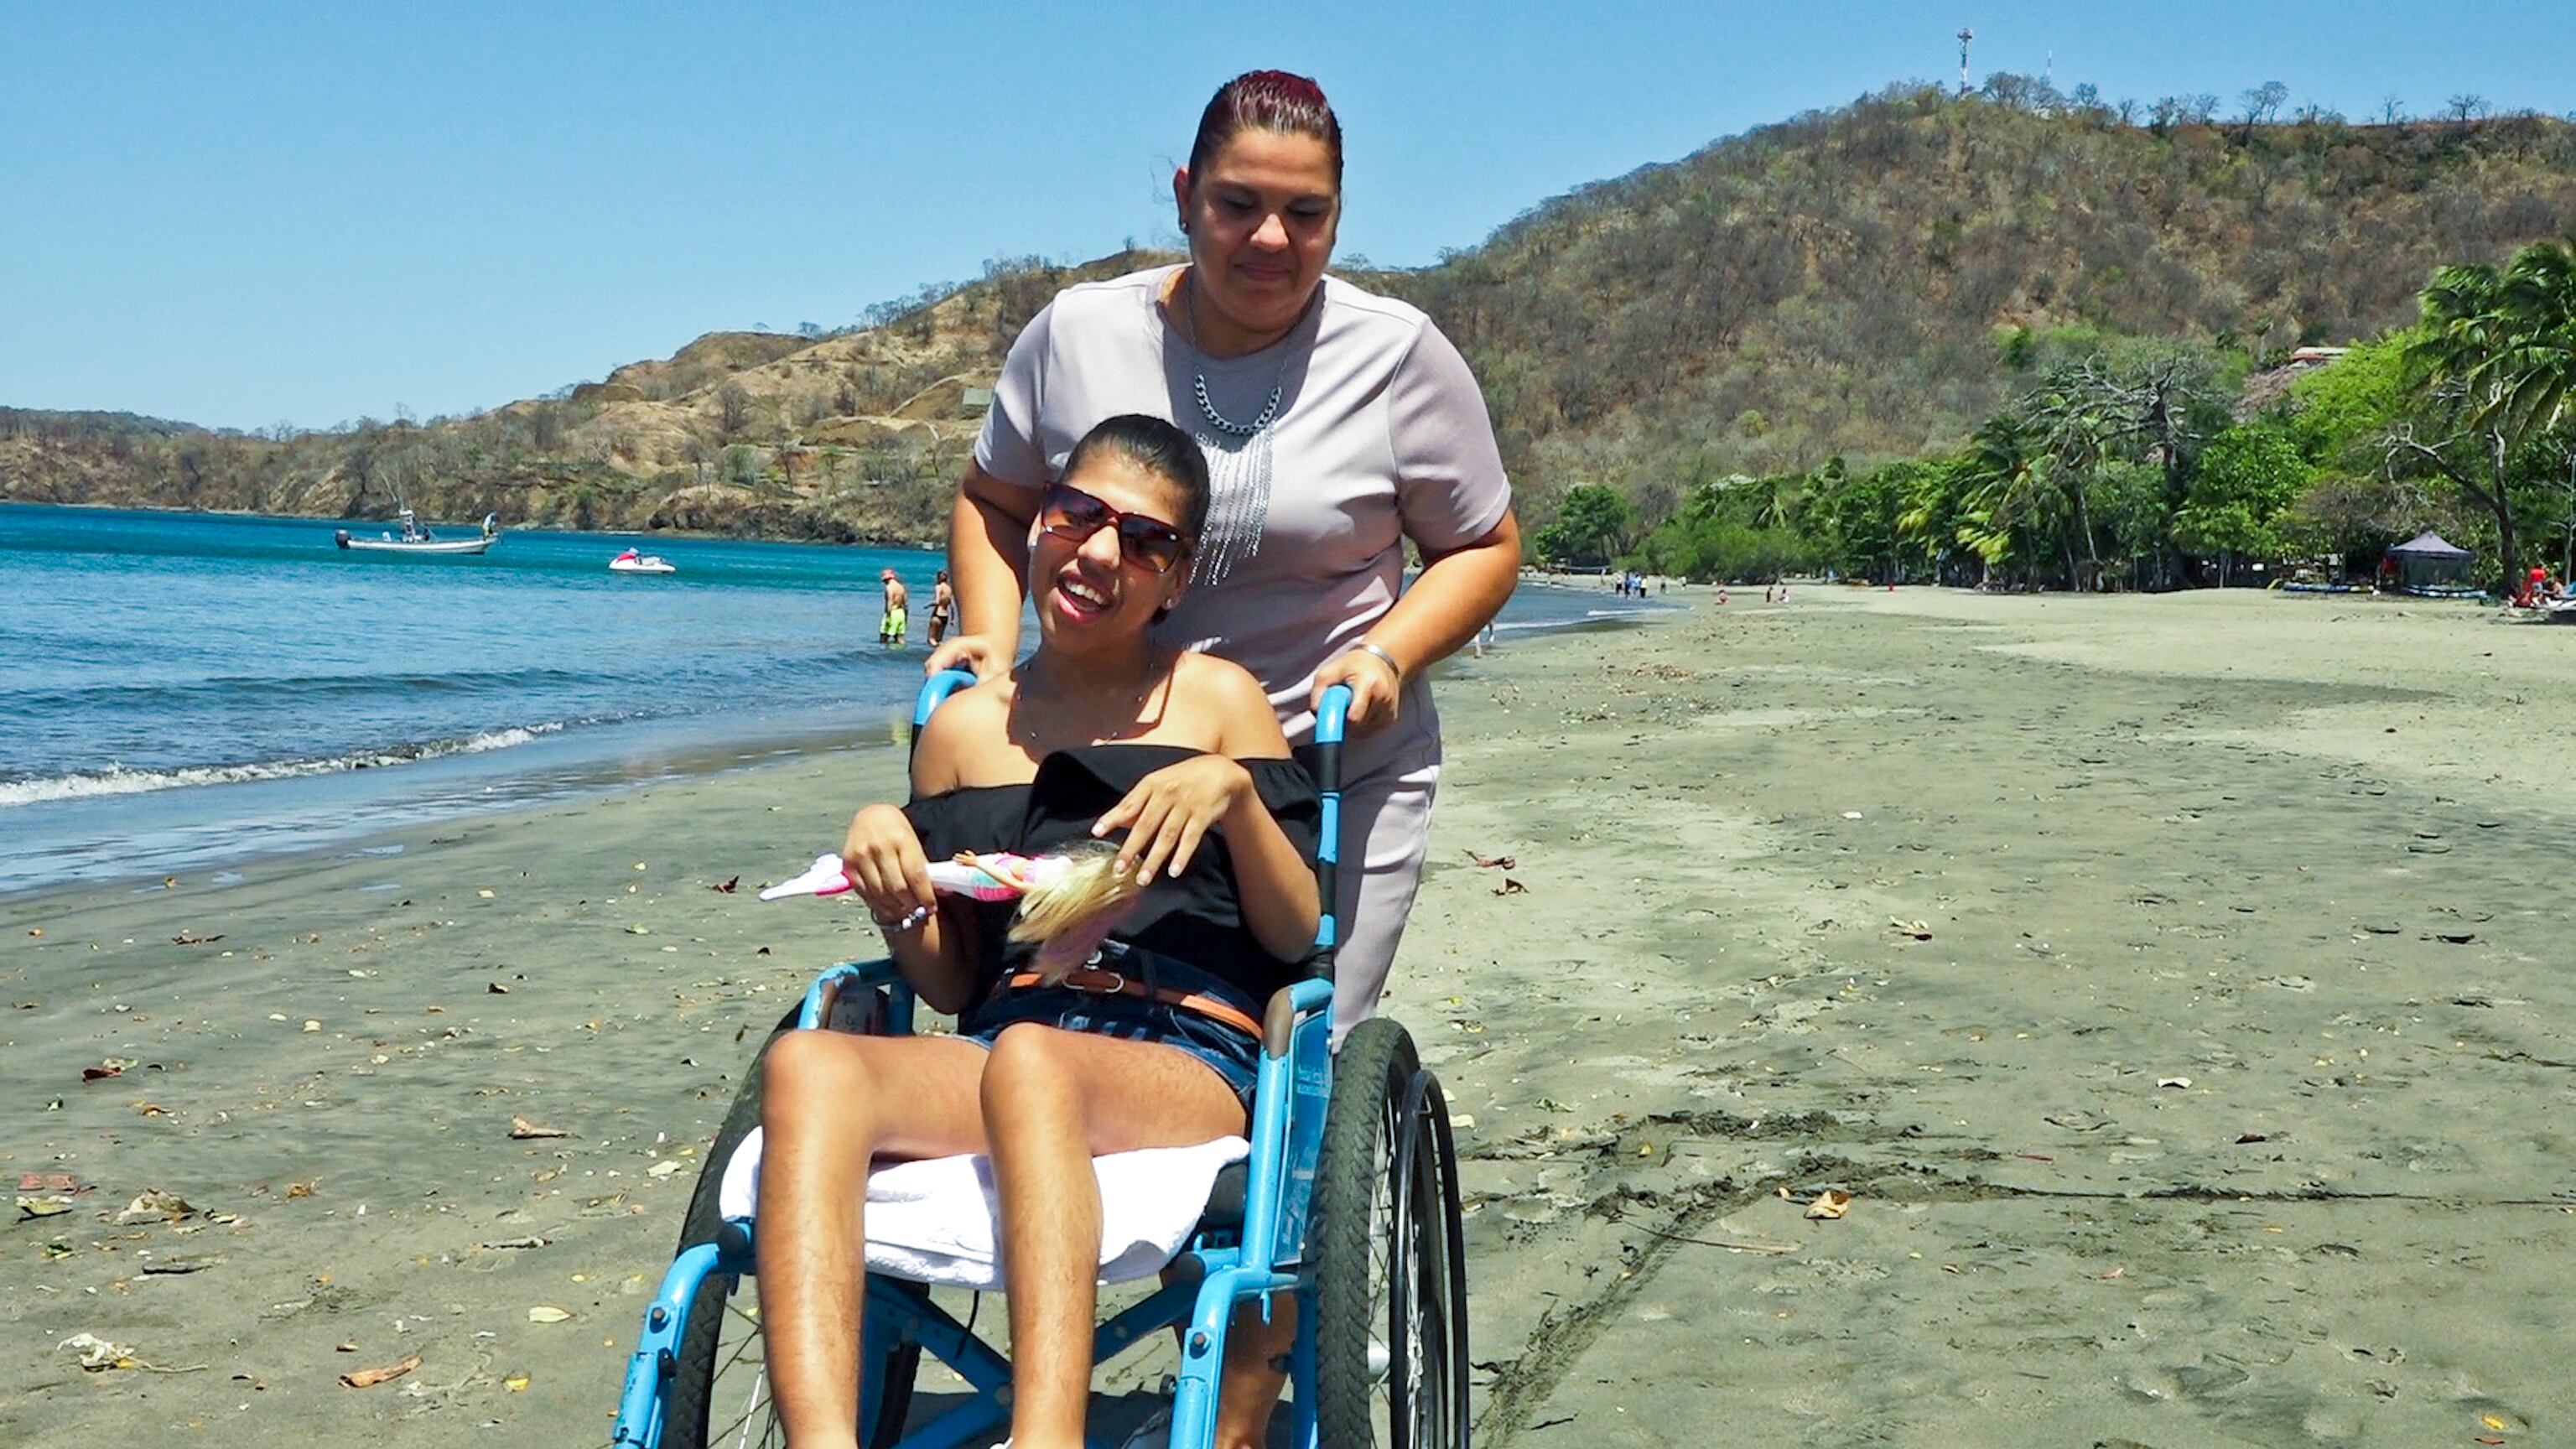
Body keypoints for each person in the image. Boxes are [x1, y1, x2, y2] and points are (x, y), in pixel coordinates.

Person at [760, 416, 1322, 1449]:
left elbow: (1295, 935)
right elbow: (945, 983)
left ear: (1176, 578)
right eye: (1080, 515)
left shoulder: (1220, 701)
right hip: (1003, 1037)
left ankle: (1046, 1436)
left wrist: (1235, 797)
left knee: (1030, 1063)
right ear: (1040, 527)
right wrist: (896, 883)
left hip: (1183, 1045)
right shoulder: (964, 731)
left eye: (1145, 541)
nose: (1101, 553)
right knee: (808, 1066)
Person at [929, 69, 1519, 1038]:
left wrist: (1388, 654)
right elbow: (993, 498)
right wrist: (992, 639)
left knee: (1300, 1041)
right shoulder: (1077, 335)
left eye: (1306, 212)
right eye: (1238, 204)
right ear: (1184, 196)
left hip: (1327, 768)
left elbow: (1485, 546)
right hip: (1096, 765)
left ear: (1338, 216)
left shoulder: (1398, 356)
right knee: (1058, 1022)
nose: (1271, 239)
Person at [879, 567, 909, 646]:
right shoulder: (901, 587)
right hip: (901, 613)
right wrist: (905, 617)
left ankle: (884, 653)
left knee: (884, 636)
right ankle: (901, 654)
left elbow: (890, 602)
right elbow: (906, 604)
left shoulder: (889, 587)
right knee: (899, 638)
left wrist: (888, 615)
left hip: (893, 612)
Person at [927, 569, 955, 647]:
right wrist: (952, 619)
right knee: (939, 640)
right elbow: (952, 606)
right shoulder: (949, 589)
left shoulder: (938, 587)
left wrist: (928, 605)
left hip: (937, 615)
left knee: (931, 640)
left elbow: (937, 602)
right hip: (945, 616)